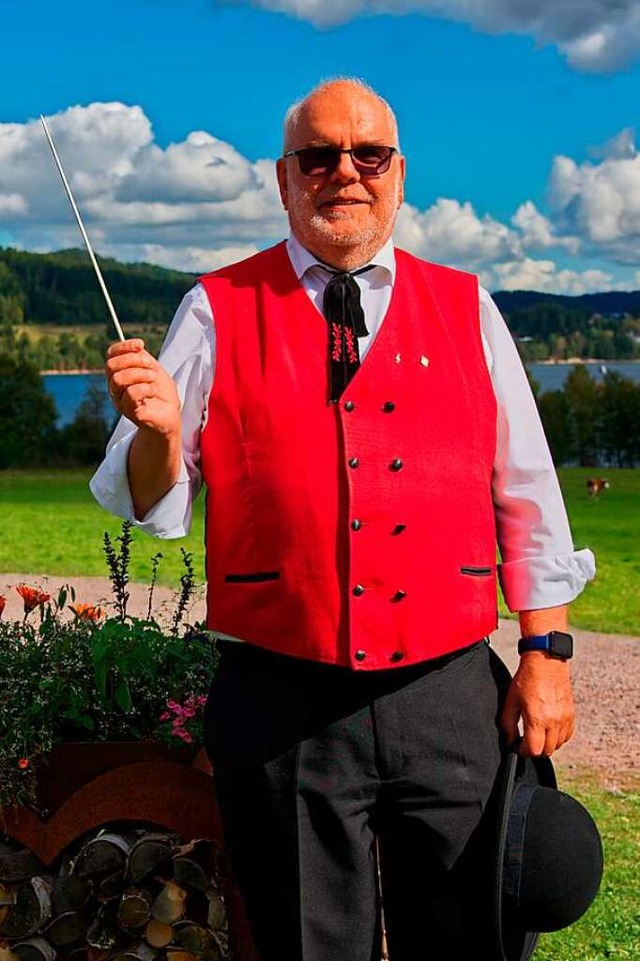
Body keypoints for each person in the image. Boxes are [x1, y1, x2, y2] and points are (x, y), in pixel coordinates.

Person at [91, 78, 595, 961]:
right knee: (304, 943)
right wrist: (160, 435)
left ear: (398, 174)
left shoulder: (469, 305)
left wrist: (545, 654)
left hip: (449, 696)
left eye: (368, 155)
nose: (344, 173)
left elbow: (527, 492)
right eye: (318, 156)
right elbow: (154, 501)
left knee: (469, 931)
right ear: (284, 180)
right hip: (282, 697)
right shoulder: (213, 307)